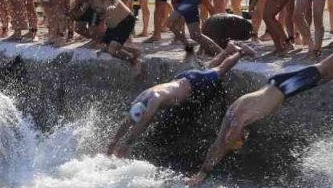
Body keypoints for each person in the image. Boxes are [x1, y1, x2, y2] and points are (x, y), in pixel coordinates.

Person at [187, 37, 333, 186]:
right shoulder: (232, 119)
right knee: (323, 77)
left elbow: (227, 140)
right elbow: (218, 145)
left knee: (323, 67)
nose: (245, 138)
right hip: (282, 87)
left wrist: (233, 138)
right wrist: (202, 173)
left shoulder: (239, 117)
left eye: (241, 139)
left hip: (286, 86)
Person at [106, 42, 253, 157]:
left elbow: (143, 122)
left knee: (220, 70)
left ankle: (241, 52)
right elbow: (128, 121)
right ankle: (228, 49)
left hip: (193, 83)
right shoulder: (142, 98)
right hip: (184, 78)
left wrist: (126, 144)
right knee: (208, 68)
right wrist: (113, 142)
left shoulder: (153, 100)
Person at [72, 0, 141, 65]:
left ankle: (135, 61)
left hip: (125, 21)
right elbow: (80, 13)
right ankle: (136, 51)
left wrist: (113, 5)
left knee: (113, 50)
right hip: (112, 27)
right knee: (102, 46)